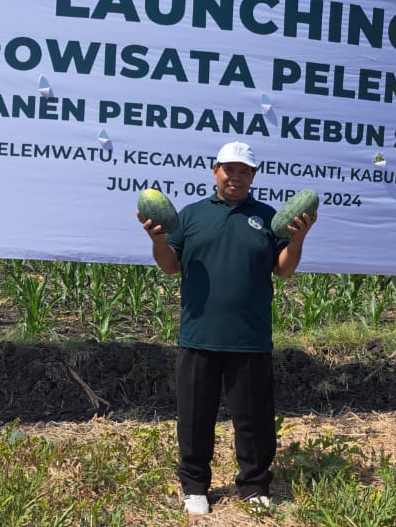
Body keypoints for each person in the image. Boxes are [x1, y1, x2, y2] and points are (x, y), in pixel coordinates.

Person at [137, 140, 317, 515]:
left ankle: (253, 486)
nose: (236, 176)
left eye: (245, 171)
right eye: (230, 169)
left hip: (249, 336)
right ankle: (195, 486)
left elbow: (283, 270)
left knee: (253, 418)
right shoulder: (190, 215)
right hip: (199, 334)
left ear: (253, 176)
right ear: (215, 170)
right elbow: (170, 266)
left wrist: (297, 238)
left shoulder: (267, 218)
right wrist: (156, 239)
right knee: (194, 416)